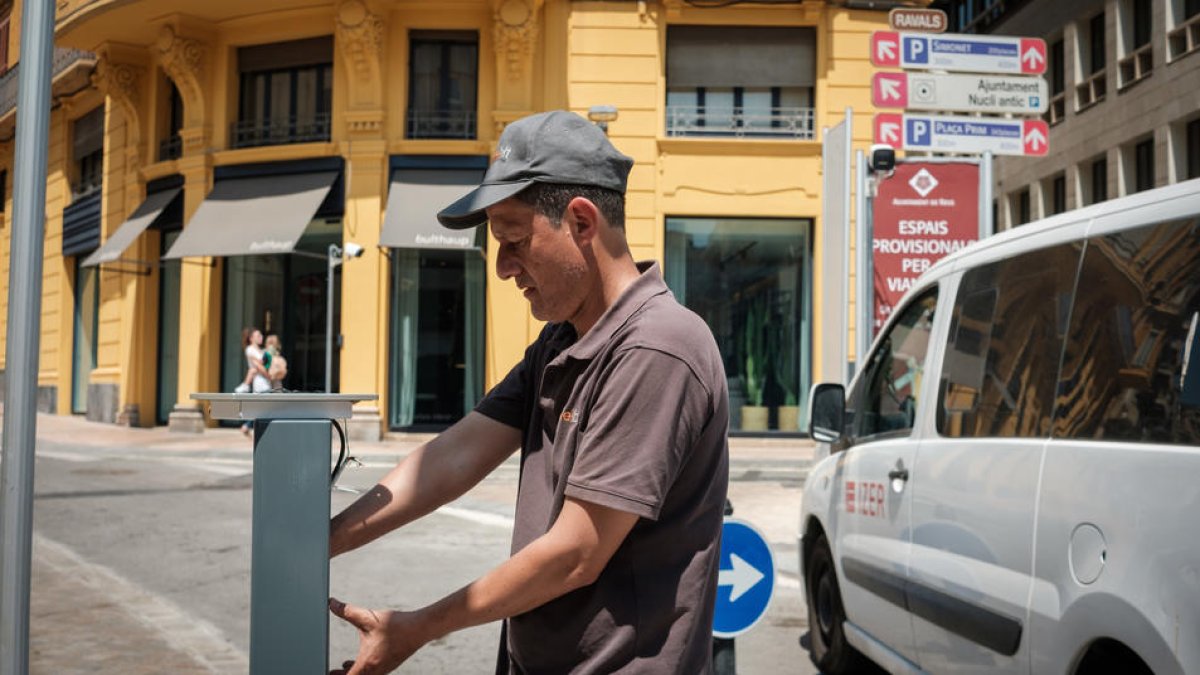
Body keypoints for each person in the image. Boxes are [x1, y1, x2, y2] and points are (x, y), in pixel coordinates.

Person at [327, 110, 729, 674]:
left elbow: (575, 555)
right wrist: (327, 539)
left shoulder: (656, 348)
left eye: (513, 239)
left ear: (582, 222)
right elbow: (453, 456)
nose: (501, 267)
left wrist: (415, 628)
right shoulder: (562, 342)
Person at [236, 327, 271, 436]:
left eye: (261, 335)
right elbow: (259, 366)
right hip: (260, 382)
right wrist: (269, 375)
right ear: (251, 338)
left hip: (265, 380)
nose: (261, 337)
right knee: (263, 407)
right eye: (258, 336)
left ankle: (247, 425)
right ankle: (247, 425)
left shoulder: (262, 350)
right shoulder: (250, 349)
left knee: (263, 407)